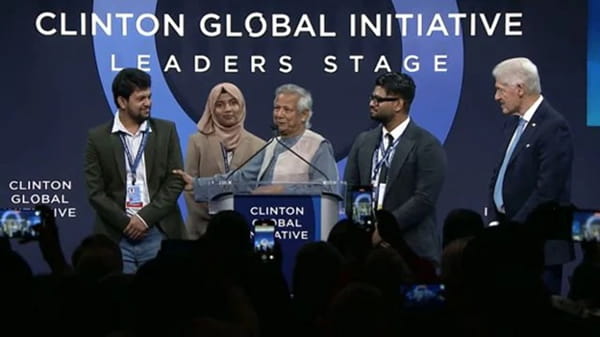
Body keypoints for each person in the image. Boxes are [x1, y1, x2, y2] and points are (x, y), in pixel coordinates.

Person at [85, 68, 185, 273]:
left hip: (158, 231)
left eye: (149, 97)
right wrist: (126, 223)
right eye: (141, 98)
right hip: (116, 236)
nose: (148, 103)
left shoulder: (166, 131)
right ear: (122, 102)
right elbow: (95, 192)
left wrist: (144, 218)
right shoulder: (97, 138)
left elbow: (175, 180)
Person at [488, 57, 574, 293]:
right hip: (510, 241)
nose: (496, 97)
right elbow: (498, 174)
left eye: (500, 90)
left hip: (539, 247)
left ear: (520, 89)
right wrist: (496, 222)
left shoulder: (554, 126)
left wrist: (513, 231)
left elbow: (547, 190)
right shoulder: (512, 124)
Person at [344, 72, 447, 264]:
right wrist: (366, 230)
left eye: (378, 99)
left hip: (411, 251)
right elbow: (352, 188)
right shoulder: (363, 142)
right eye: (372, 98)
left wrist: (384, 230)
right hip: (366, 252)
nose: (371, 103)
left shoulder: (427, 144)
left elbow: (424, 199)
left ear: (398, 104)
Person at [174, 83, 338, 197]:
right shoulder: (272, 145)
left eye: (286, 110)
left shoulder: (318, 145)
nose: (279, 115)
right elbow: (241, 179)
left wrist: (282, 190)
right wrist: (197, 184)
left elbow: (328, 188)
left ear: (304, 115)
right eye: (276, 108)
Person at [184, 82, 265, 239]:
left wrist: (237, 223)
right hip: (202, 232)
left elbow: (259, 189)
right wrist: (214, 223)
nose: (228, 109)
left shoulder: (259, 145)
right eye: (220, 105)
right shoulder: (197, 142)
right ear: (211, 109)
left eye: (233, 103)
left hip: (245, 231)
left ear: (241, 105)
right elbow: (189, 187)